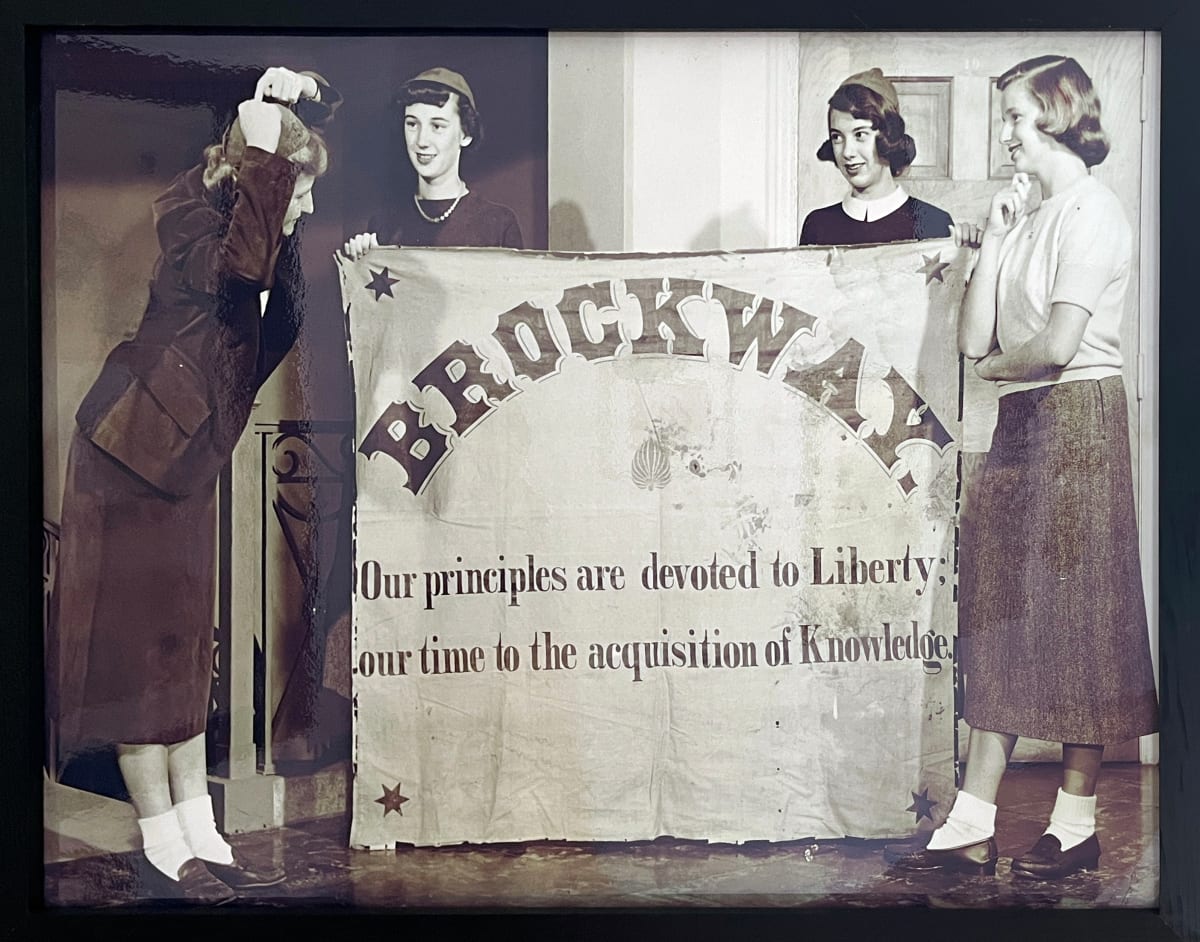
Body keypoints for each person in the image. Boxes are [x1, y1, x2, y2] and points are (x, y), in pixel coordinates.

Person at [47, 66, 339, 902]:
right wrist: (267, 125)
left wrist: (287, 128)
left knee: (180, 651)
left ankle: (197, 827)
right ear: (255, 173)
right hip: (129, 455)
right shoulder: (196, 235)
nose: (305, 205)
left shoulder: (253, 249)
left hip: (184, 460)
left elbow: (275, 300)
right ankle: (161, 842)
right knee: (140, 654)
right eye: (298, 186)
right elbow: (246, 261)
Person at [892, 55, 1157, 879]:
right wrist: (995, 243)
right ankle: (972, 826)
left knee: (1082, 622)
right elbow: (976, 343)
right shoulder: (1030, 216)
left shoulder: (1094, 212)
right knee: (1003, 616)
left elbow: (1056, 348)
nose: (1003, 134)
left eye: (1012, 117)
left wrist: (1000, 367)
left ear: (1054, 112)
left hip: (1079, 417)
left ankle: (1073, 827)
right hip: (1022, 422)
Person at [343, 65, 522, 257]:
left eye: (437, 126)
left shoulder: (498, 224)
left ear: (466, 133)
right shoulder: (383, 224)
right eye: (412, 124)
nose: (421, 141)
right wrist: (363, 259)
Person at [800, 68, 952, 246]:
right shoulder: (817, 225)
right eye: (837, 137)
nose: (847, 152)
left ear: (889, 136)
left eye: (860, 135)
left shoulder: (934, 223)